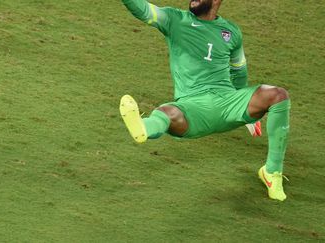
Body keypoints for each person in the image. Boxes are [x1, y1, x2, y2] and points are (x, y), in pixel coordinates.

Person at [119, 0, 291, 201]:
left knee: (277, 95)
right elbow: (142, 10)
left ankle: (272, 172)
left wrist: (249, 115)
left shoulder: (231, 32)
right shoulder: (175, 20)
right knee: (168, 113)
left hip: (228, 102)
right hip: (193, 107)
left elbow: (239, 72)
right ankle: (143, 128)